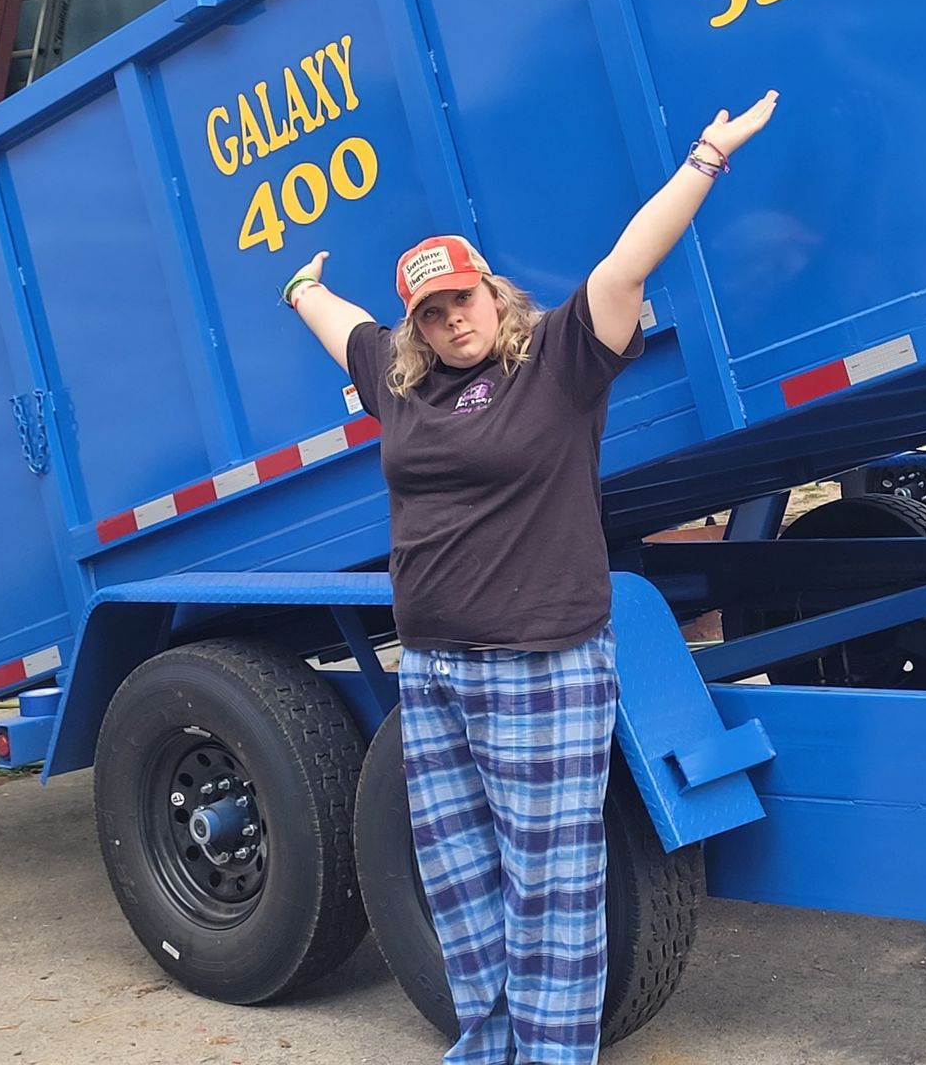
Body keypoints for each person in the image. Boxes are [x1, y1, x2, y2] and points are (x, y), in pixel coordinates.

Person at [283, 90, 777, 1065]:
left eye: (461, 299)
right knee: (461, 881)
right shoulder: (401, 378)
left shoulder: (558, 360)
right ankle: (485, 1046)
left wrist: (705, 161)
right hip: (434, 673)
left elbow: (630, 261)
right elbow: (341, 325)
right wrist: (300, 289)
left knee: (551, 890)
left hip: (543, 670)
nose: (451, 320)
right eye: (430, 311)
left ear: (490, 293)